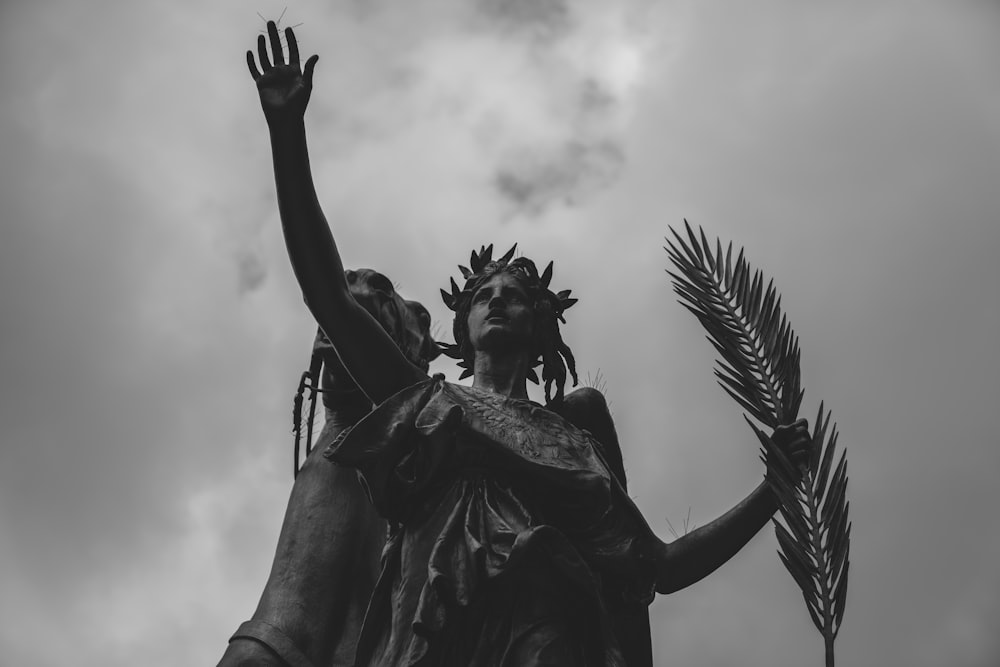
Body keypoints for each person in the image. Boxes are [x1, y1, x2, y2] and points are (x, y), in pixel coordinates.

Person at [247, 21, 811, 667]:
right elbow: (328, 294)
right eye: (484, 295)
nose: (497, 302)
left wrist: (774, 490)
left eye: (514, 295)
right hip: (432, 640)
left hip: (551, 636)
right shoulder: (424, 404)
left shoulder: (574, 440)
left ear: (542, 326)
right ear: (458, 330)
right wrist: (287, 135)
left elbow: (658, 567)